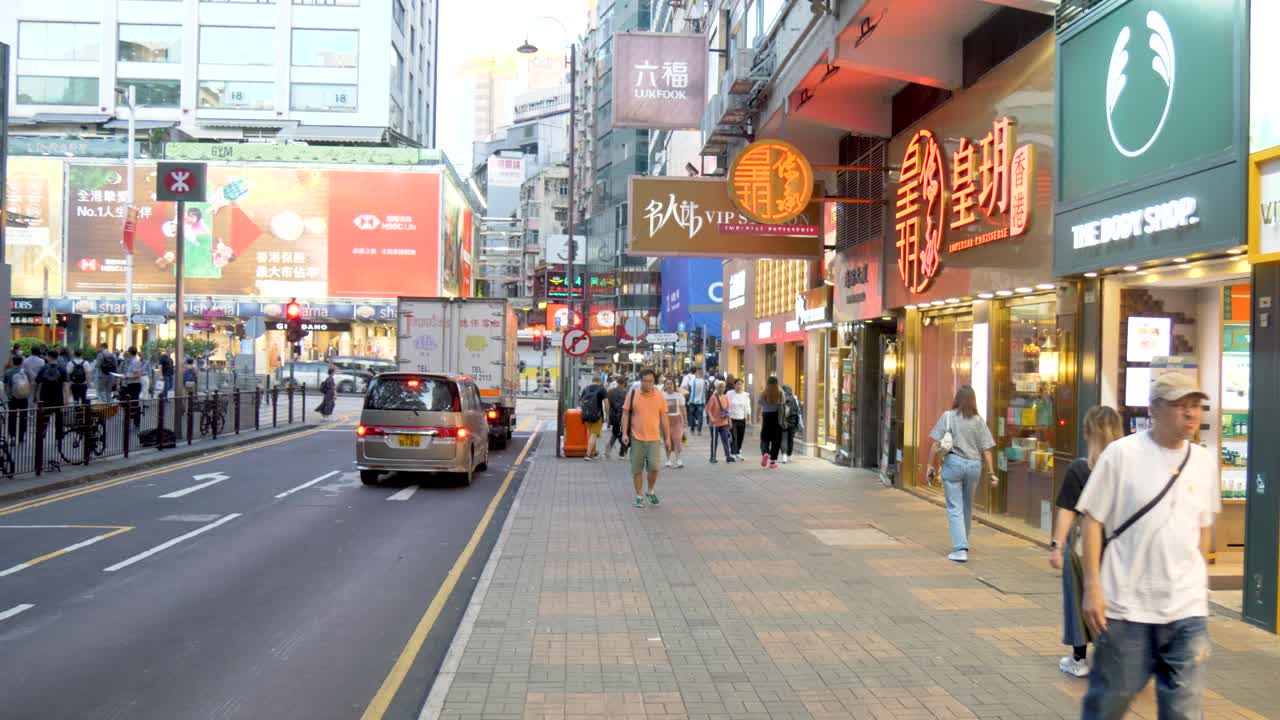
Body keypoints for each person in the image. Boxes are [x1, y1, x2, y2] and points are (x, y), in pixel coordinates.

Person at [1077, 375, 1219, 719]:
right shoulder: (1121, 455)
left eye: (1195, 405)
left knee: (1184, 710)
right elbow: (1092, 520)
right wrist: (1093, 587)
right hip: (1127, 608)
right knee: (1109, 704)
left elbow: (1202, 529)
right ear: (1154, 408)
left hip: (1186, 610)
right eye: (1179, 405)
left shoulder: (1204, 461)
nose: (1190, 413)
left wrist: (1196, 583)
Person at [1048, 405, 1124, 679]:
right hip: (1121, 546)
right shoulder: (1127, 468)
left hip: (1084, 548)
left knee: (1078, 597)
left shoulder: (1080, 469)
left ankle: (1079, 659)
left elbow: (1068, 510)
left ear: (1088, 432)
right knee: (1116, 602)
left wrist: (1057, 546)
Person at [925, 385, 998, 563]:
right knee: (967, 506)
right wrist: (992, 472)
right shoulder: (978, 421)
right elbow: (987, 449)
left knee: (955, 507)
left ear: (957, 398)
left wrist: (929, 465)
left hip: (954, 464)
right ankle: (963, 542)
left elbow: (936, 444)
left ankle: (960, 549)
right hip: (974, 466)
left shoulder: (948, 416)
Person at [621, 368, 669, 509]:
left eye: (650, 381)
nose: (647, 384)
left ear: (654, 382)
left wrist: (667, 438)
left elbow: (664, 417)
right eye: (644, 381)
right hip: (636, 438)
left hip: (654, 438)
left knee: (654, 468)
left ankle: (650, 490)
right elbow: (625, 414)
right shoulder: (633, 393)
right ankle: (639, 495)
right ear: (640, 380)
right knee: (637, 469)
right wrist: (624, 433)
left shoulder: (659, 396)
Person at [34, 348, 69, 457]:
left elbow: (37, 383)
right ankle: (58, 439)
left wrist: (36, 396)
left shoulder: (43, 368)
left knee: (44, 419)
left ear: (48, 357)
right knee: (59, 420)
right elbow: (66, 385)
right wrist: (66, 399)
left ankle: (41, 436)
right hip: (58, 398)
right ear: (57, 357)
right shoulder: (62, 369)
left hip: (45, 399)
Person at [755, 377, 785, 469]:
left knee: (765, 437)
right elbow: (782, 404)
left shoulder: (763, 393)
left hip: (766, 417)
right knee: (776, 440)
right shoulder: (780, 392)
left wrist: (757, 416)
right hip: (776, 417)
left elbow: (759, 406)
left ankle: (765, 453)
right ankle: (772, 462)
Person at [706, 381, 735, 464]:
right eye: (720, 387)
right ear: (717, 388)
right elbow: (708, 409)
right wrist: (711, 418)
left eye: (723, 387)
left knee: (726, 439)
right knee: (714, 441)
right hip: (714, 423)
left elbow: (728, 410)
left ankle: (728, 456)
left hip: (724, 422)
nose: (722, 389)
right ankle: (712, 457)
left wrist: (729, 421)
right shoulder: (713, 397)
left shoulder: (725, 397)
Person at [578, 378, 607, 460]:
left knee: (591, 433)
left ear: (592, 381)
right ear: (599, 381)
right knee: (594, 434)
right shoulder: (602, 389)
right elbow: (606, 402)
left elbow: (580, 402)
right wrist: (607, 414)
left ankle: (594, 452)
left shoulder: (586, 388)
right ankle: (588, 454)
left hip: (587, 415)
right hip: (597, 415)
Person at [4, 354, 31, 442]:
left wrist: (8, 395)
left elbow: (5, 386)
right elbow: (29, 384)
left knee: (12, 417)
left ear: (13, 362)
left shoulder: (8, 372)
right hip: (23, 398)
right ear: (21, 362)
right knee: (23, 416)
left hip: (13, 398)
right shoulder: (25, 372)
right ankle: (21, 436)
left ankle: (12, 436)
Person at [661, 377, 686, 468]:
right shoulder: (662, 395)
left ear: (674, 385)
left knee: (677, 439)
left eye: (671, 383)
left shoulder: (679, 395)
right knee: (667, 440)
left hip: (677, 420)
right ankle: (668, 460)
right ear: (665, 385)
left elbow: (683, 409)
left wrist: (685, 420)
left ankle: (679, 459)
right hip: (665, 420)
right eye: (667, 384)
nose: (669, 385)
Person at [604, 374, 630, 460]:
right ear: (624, 383)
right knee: (624, 434)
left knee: (615, 434)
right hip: (623, 416)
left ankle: (608, 450)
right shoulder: (627, 393)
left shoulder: (610, 392)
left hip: (613, 416)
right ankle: (622, 453)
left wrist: (607, 418)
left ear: (617, 382)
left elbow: (607, 405)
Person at [726, 378, 751, 461]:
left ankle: (738, 451)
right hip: (732, 419)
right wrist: (728, 419)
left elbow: (748, 408)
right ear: (734, 385)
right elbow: (727, 406)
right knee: (734, 436)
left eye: (741, 384)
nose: (739, 386)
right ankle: (733, 453)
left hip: (742, 419)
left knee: (740, 437)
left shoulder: (745, 395)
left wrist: (749, 419)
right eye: (738, 384)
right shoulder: (729, 394)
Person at [123, 347, 145, 428]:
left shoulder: (135, 362)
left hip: (134, 384)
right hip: (131, 384)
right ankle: (132, 420)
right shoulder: (132, 361)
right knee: (131, 402)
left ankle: (135, 421)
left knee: (134, 402)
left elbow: (137, 374)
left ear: (130, 352)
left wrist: (126, 377)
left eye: (128, 351)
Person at [781, 384, 803, 463]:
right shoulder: (795, 398)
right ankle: (789, 455)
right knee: (790, 439)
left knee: (784, 438)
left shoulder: (784, 399)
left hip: (784, 422)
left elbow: (786, 411)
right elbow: (799, 408)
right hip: (793, 423)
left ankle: (784, 456)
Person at [685, 368, 708, 436]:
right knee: (700, 416)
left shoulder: (692, 381)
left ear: (696, 373)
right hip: (701, 401)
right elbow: (705, 392)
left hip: (692, 401)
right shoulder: (705, 382)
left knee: (691, 416)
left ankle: (692, 429)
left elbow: (688, 391)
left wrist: (688, 399)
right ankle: (699, 430)